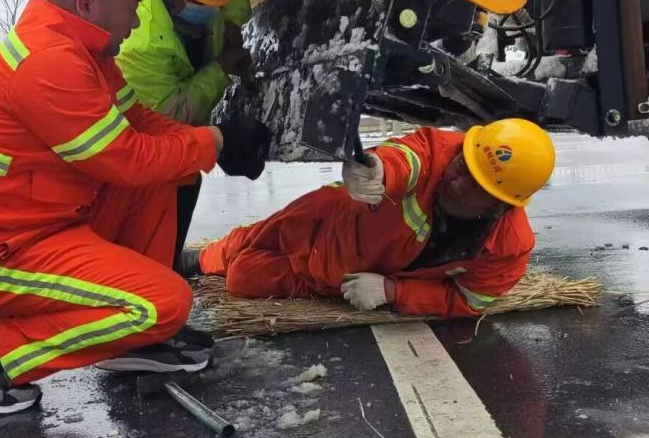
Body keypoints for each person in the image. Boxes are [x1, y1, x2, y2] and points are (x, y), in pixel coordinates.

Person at [0, 0, 247, 416]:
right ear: (89, 2)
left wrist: (211, 142)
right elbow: (124, 158)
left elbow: (139, 124)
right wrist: (217, 142)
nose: (139, 17)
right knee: (162, 303)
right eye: (134, 6)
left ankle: (134, 343)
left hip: (44, 227)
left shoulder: (83, 49)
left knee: (170, 172)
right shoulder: (47, 61)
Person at [186, 120, 555, 317]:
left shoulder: (508, 248)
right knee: (254, 238)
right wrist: (377, 168)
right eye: (462, 164)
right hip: (329, 215)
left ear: (500, 205)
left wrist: (393, 292)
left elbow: (468, 302)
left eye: (473, 185)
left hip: (331, 279)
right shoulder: (439, 150)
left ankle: (221, 263)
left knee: (241, 278)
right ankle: (199, 260)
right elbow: (407, 156)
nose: (454, 178)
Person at [116, 0, 253, 268]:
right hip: (148, 122)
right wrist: (221, 70)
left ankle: (169, 258)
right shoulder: (138, 37)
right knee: (180, 166)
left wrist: (235, 26)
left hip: (191, 51)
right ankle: (159, 268)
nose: (211, 8)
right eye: (201, 3)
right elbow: (170, 112)